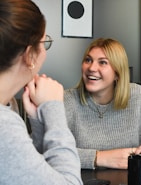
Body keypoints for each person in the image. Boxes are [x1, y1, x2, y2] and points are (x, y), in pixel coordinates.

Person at [64, 38, 141, 169]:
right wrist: (99, 157)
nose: (92, 68)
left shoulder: (139, 96)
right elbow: (45, 153)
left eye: (103, 62)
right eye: (88, 60)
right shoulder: (66, 101)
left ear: (117, 73)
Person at [0, 0, 83, 184]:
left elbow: (29, 174)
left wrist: (38, 121)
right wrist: (53, 109)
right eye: (44, 42)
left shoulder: (9, 106)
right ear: (29, 55)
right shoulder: (4, 125)